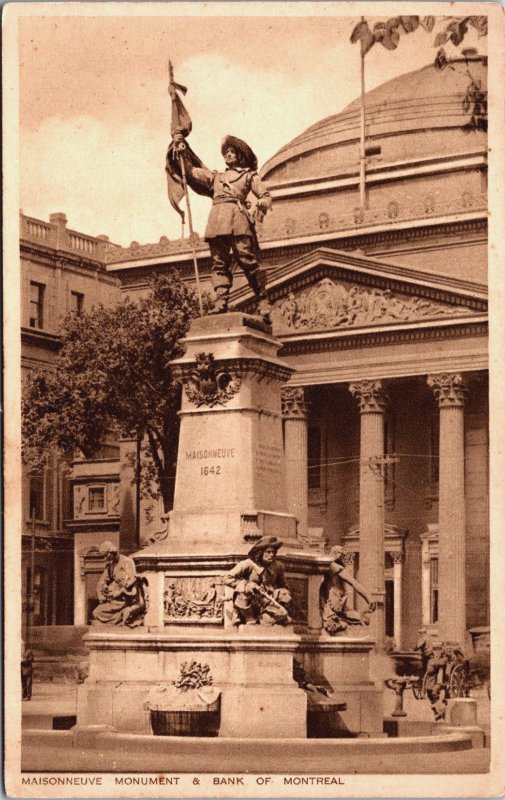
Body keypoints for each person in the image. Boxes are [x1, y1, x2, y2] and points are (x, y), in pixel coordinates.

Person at [172, 131, 272, 318]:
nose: (228, 154)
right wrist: (180, 149)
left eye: (232, 152)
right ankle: (221, 300)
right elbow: (191, 172)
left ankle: (262, 298)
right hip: (217, 221)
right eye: (226, 152)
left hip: (238, 220)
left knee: (247, 260)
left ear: (240, 156)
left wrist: (262, 204)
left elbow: (265, 195)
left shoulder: (249, 176)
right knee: (219, 264)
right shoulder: (216, 177)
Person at [224, 536, 291, 626]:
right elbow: (227, 578)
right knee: (243, 588)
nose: (271, 555)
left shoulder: (278, 566)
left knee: (271, 621)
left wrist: (280, 592)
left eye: (273, 552)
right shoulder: (248, 564)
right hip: (250, 601)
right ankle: (249, 617)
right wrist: (246, 584)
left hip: (267, 601)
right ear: (260, 552)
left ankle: (267, 617)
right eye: (268, 552)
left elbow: (284, 585)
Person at [320, 545, 377, 634]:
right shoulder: (334, 566)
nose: (344, 558)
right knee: (361, 621)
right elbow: (354, 583)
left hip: (339, 606)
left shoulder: (332, 566)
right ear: (335, 554)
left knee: (364, 620)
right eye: (342, 555)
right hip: (334, 606)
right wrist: (369, 598)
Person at [92, 541, 148, 627]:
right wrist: (101, 592)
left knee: (98, 613)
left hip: (127, 598)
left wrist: (119, 592)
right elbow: (102, 581)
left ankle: (124, 615)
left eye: (105, 555)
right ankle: (120, 616)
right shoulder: (110, 565)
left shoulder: (127, 562)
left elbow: (132, 581)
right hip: (115, 599)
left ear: (111, 553)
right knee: (96, 613)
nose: (104, 559)